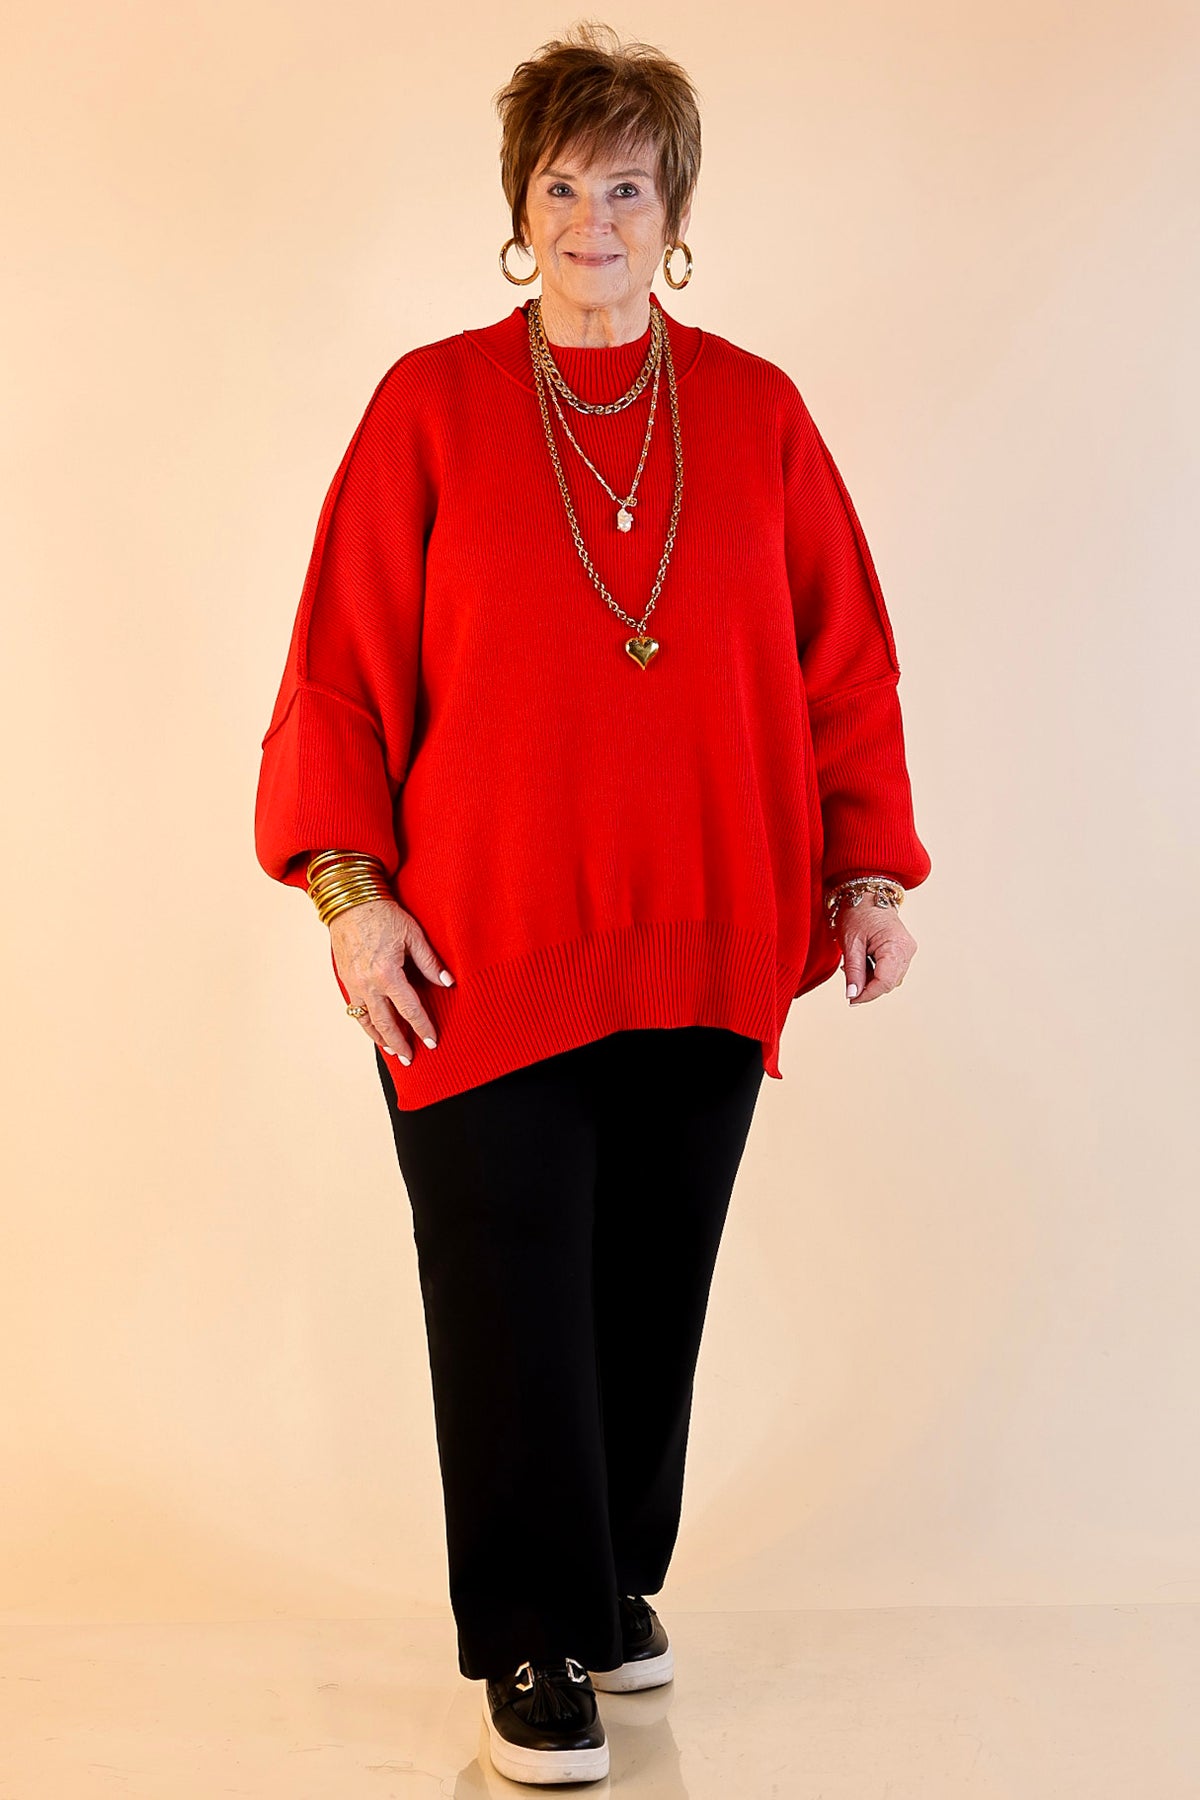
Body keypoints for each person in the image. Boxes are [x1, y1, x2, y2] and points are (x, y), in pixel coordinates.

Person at [253, 20, 932, 1788]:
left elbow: (842, 663)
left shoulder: (759, 413)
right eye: (560, 187)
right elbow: (339, 668)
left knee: (649, 1287)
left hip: (707, 932)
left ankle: (611, 1584)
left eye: (626, 188)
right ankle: (532, 1638)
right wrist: (350, 893)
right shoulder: (428, 407)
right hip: (482, 950)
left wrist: (866, 868)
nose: (592, 222)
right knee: (510, 1292)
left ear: (673, 213)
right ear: (519, 208)